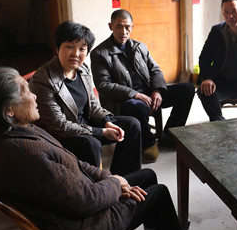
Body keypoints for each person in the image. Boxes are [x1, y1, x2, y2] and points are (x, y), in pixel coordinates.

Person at [0, 67, 214, 230]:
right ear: (9, 110)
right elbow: (85, 201)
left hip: (75, 214)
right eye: (25, 90)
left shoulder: (8, 135)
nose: (34, 95)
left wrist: (110, 178)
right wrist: (114, 184)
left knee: (146, 175)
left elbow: (76, 164)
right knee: (158, 194)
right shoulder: (24, 154)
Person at [29, 21, 149, 173]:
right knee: (91, 144)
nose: (76, 54)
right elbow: (59, 125)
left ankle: (124, 178)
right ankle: (96, 183)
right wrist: (101, 132)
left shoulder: (82, 69)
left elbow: (93, 104)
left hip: (86, 124)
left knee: (132, 125)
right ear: (57, 48)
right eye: (69, 47)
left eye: (82, 49)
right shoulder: (43, 80)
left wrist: (106, 122)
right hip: (62, 135)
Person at [91, 9, 195, 151]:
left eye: (127, 27)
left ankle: (169, 135)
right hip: (122, 100)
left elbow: (155, 70)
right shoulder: (100, 53)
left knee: (187, 89)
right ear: (111, 26)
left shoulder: (140, 47)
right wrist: (134, 94)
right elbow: (104, 85)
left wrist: (157, 90)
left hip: (148, 94)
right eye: (119, 26)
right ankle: (148, 142)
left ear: (132, 27)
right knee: (137, 106)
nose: (123, 31)